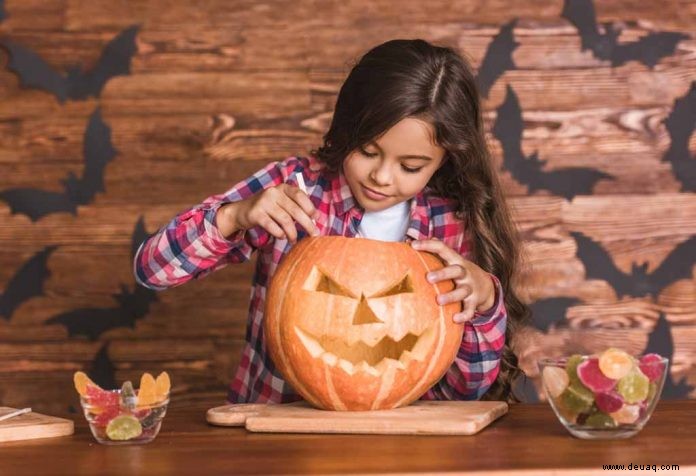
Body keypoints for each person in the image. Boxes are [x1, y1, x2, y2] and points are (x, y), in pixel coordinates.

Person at [134, 39, 530, 404]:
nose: (382, 177)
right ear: (346, 130)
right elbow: (153, 270)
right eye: (368, 151)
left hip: (395, 444)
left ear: (445, 158)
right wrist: (235, 215)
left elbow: (465, 391)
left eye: (411, 166)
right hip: (276, 432)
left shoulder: (449, 223)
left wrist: (485, 301)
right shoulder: (295, 188)